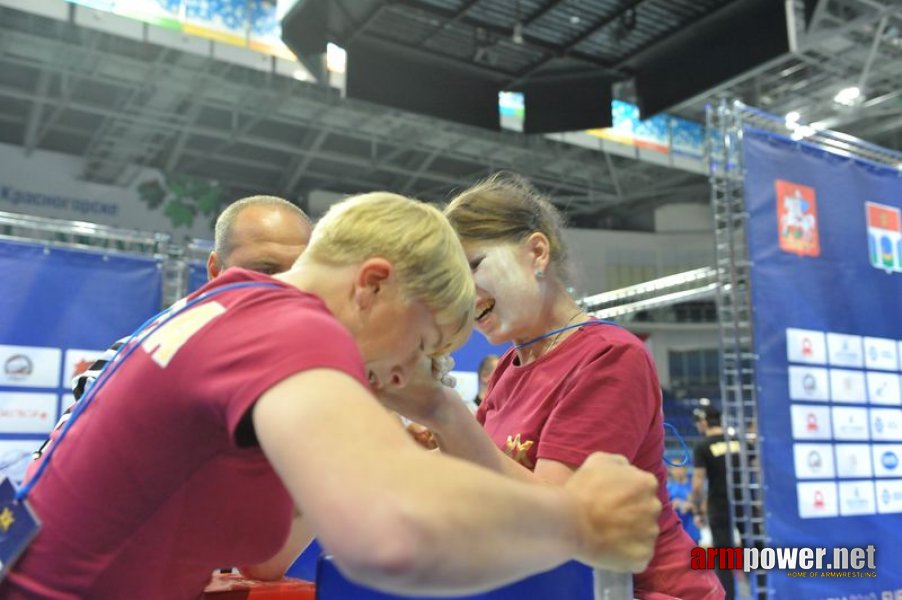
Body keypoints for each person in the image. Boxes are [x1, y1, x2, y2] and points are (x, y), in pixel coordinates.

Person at [2, 192, 663, 599]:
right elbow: (389, 535)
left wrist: (420, 413)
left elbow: (266, 556)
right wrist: (578, 521)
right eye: (421, 342)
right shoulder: (293, 328)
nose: (413, 368)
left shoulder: (236, 308)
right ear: (372, 286)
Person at [377, 173, 722, 599]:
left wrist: (443, 412)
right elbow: (481, 483)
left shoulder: (610, 357)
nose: (461, 295)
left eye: (474, 266)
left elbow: (560, 520)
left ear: (537, 253)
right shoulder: (509, 366)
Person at [27, 195, 313, 471]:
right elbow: (52, 471)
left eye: (300, 270)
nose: (286, 286)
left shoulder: (323, 355)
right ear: (216, 270)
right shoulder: (142, 352)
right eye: (265, 270)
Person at [691, 405, 743, 600]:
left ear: (704, 422)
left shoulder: (703, 445)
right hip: (743, 504)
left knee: (724, 558)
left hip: (719, 506)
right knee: (754, 552)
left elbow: (697, 482)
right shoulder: (737, 441)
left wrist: (697, 509)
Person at [666, 464, 700, 544]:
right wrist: (673, 505)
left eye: (679, 468)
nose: (676, 471)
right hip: (675, 533)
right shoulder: (668, 488)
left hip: (691, 532)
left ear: (685, 469)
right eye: (674, 469)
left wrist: (691, 506)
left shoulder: (693, 487)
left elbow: (702, 506)